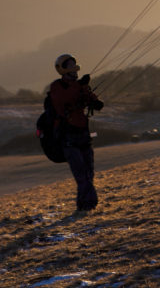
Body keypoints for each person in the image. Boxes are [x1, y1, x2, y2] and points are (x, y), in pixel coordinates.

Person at [48, 53, 103, 214]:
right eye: (70, 66)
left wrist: (94, 100)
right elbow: (63, 101)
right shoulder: (57, 87)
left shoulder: (80, 86)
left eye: (74, 65)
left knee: (89, 172)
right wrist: (82, 87)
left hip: (84, 135)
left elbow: (92, 101)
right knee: (81, 174)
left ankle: (83, 205)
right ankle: (89, 205)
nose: (74, 69)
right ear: (63, 70)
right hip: (68, 138)